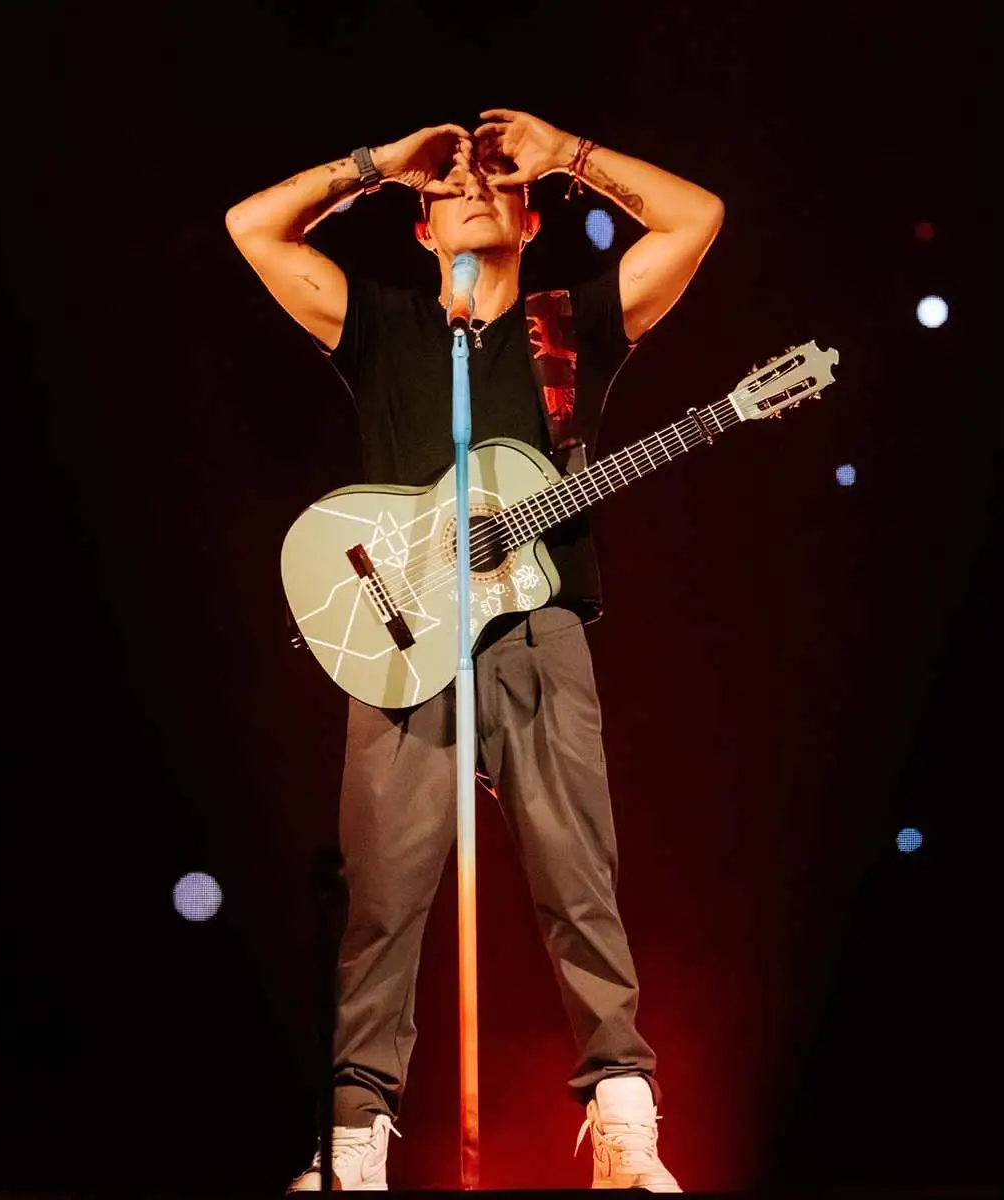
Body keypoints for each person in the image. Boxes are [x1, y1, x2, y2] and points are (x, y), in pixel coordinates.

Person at [225, 109, 724, 1193]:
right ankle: (354, 1141)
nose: (469, 187)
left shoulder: (570, 325)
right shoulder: (384, 326)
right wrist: (376, 167)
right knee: (381, 897)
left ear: (531, 217)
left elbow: (698, 218)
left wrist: (569, 154)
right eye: (445, 185)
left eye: (493, 178)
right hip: (403, 637)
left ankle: (624, 1127)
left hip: (539, 630)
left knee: (578, 875)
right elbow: (251, 227)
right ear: (418, 227)